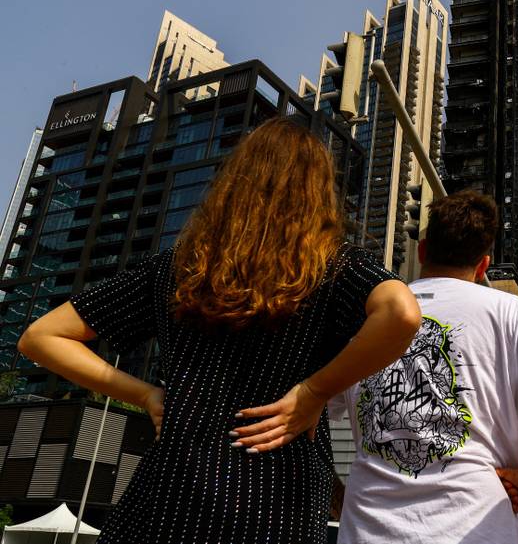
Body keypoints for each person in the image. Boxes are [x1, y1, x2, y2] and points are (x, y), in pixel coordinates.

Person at [18, 117, 421, 544]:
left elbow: (40, 337)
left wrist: (145, 394)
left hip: (170, 496)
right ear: (319, 193)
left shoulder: (179, 267)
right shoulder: (337, 267)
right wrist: (314, 391)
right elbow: (402, 313)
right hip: (278, 499)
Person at [244, 190, 518, 543]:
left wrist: (337, 498)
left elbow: (291, 424)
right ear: (483, 264)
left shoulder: (363, 324)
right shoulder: (516, 316)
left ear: (422, 251)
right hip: (479, 531)